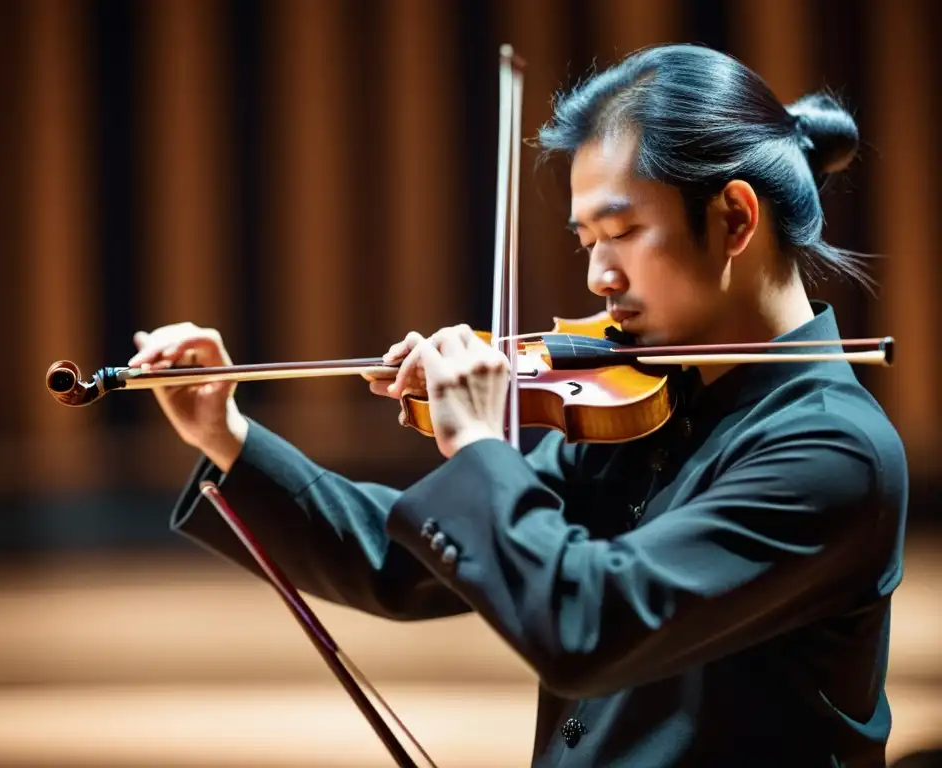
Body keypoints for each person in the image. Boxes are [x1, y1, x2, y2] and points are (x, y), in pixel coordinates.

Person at [129, 43, 908, 767]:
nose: (600, 276)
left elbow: (588, 625)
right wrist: (228, 434)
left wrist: (478, 445)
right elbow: (404, 563)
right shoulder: (634, 407)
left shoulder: (831, 452)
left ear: (735, 218)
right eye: (586, 241)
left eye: (624, 231)